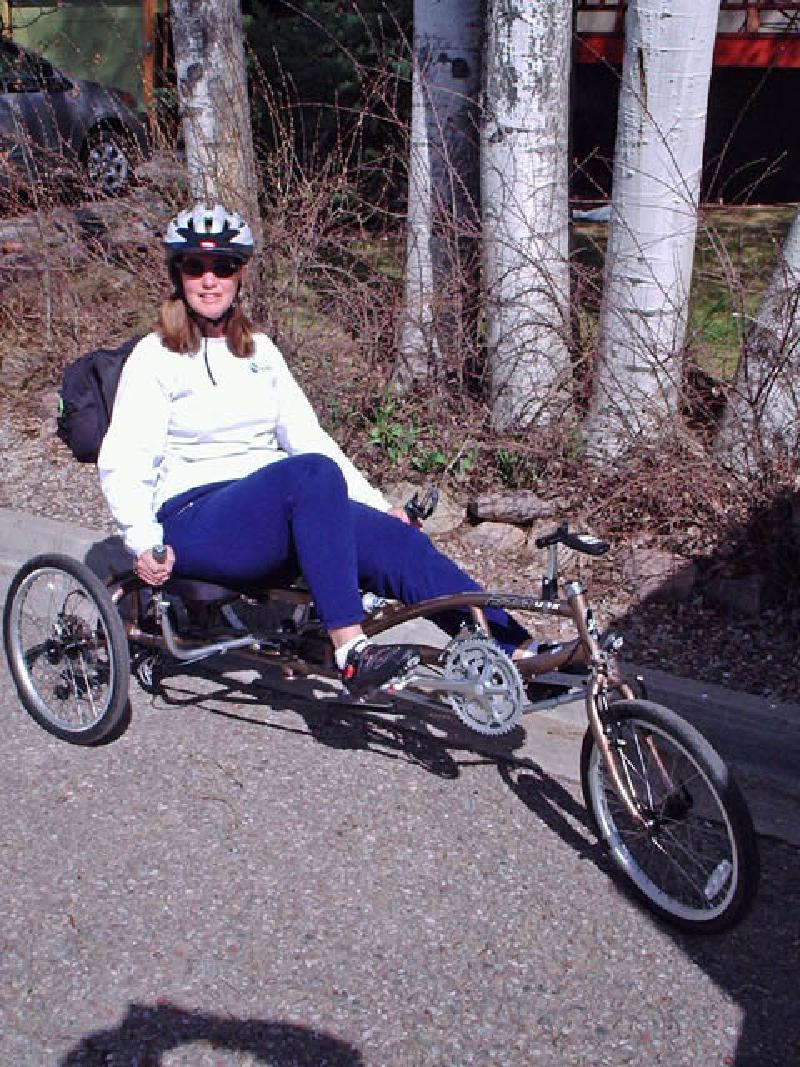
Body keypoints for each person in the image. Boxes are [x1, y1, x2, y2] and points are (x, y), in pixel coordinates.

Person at [98, 203, 532, 696]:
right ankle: (351, 650)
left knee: (400, 542)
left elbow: (309, 438)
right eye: (195, 267)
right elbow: (125, 458)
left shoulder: (259, 352)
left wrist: (377, 506)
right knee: (309, 475)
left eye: (224, 266)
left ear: (240, 274)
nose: (210, 279)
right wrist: (142, 539)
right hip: (195, 519)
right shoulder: (156, 357)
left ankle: (517, 653)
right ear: (178, 274)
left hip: (272, 511)